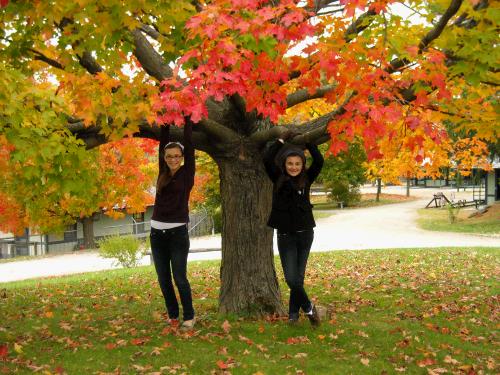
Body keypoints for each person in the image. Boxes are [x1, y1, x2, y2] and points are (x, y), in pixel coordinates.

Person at [263, 132, 324, 326]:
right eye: (290, 163)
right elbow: (266, 158)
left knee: (297, 278)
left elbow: (319, 161)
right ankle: (308, 308)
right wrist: (279, 141)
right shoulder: (277, 178)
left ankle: (292, 315)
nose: (294, 167)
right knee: (291, 278)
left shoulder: (307, 179)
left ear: (302, 165)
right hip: (285, 235)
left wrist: (309, 141)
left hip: (305, 234)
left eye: (297, 164)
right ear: (284, 164)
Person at [150, 120, 195, 330]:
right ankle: (173, 315)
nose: (173, 159)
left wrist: (187, 121)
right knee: (163, 279)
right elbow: (163, 143)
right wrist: (165, 122)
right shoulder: (163, 173)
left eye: (177, 156)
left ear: (182, 157)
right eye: (169, 156)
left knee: (179, 277)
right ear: (164, 159)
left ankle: (189, 316)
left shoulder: (187, 174)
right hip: (156, 234)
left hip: (177, 234)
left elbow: (189, 143)